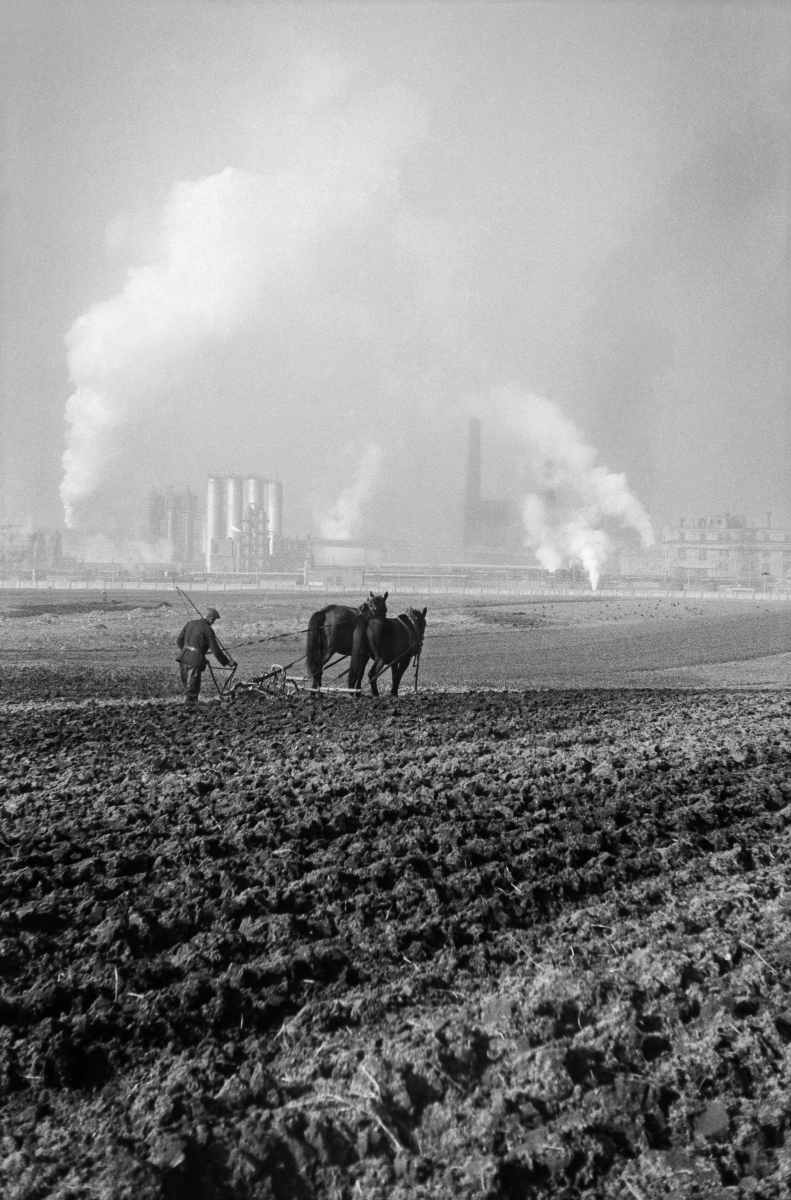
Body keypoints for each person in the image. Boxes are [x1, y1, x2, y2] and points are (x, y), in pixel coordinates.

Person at [175, 608, 234, 706]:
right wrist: (228, 662)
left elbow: (179, 641)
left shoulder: (190, 624)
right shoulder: (208, 630)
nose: (213, 622)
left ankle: (189, 711)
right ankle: (189, 714)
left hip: (182, 659)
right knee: (192, 693)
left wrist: (190, 653)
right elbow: (217, 652)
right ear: (210, 618)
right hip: (194, 663)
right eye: (214, 620)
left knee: (188, 691)